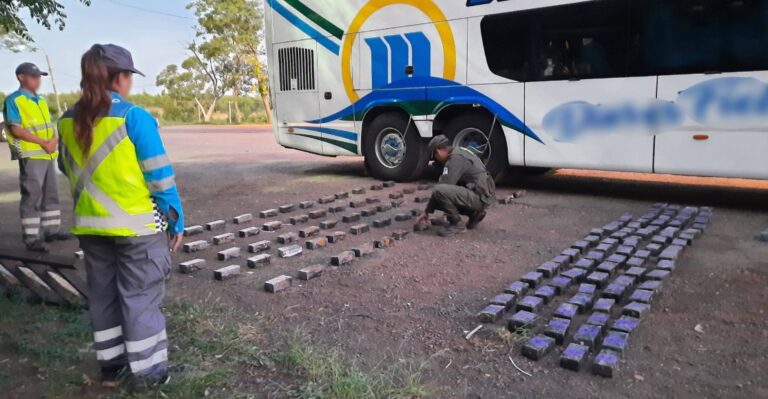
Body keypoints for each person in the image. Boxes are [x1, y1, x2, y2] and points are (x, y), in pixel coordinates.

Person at [57, 44, 185, 390]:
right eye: (128, 76)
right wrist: (176, 220)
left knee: (104, 295)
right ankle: (150, 375)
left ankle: (111, 366)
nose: (130, 83)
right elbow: (160, 178)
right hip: (137, 229)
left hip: (90, 227)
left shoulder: (66, 119)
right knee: (140, 297)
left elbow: (64, 167)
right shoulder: (134, 116)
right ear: (119, 78)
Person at [3, 62, 72, 252]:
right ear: (20, 77)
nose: (37, 80)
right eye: (33, 76)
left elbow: (49, 125)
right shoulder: (14, 100)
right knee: (32, 195)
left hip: (47, 154)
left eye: (39, 77)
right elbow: (15, 129)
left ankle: (52, 229)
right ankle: (31, 237)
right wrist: (43, 142)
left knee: (51, 193)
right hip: (31, 154)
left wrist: (54, 140)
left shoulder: (40, 100)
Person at [416, 135, 496, 236]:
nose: (436, 159)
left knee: (440, 191)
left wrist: (427, 211)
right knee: (446, 191)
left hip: (481, 197)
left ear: (439, 151)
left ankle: (456, 223)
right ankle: (474, 213)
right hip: (483, 193)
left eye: (435, 155)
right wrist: (428, 211)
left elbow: (442, 189)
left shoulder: (455, 160)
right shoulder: (459, 152)